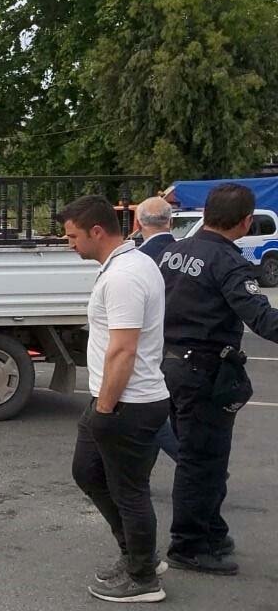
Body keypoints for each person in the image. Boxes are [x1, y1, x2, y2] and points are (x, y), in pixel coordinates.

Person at [160, 183, 278, 576]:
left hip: (172, 364)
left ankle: (210, 530)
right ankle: (190, 545)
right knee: (203, 461)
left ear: (207, 212)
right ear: (245, 223)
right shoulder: (228, 262)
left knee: (200, 457)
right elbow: (262, 318)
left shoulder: (173, 251)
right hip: (203, 371)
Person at [60, 195, 169, 604]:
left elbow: (123, 350)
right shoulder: (128, 265)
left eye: (72, 236)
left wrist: (105, 409)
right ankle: (137, 554)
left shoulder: (124, 275)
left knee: (129, 490)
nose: (69, 243)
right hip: (115, 399)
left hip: (129, 403)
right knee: (88, 472)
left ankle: (143, 577)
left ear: (97, 232)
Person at [134, 196, 180, 462]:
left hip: (150, 344)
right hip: (180, 345)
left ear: (138, 224)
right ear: (171, 222)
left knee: (151, 414)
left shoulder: (138, 260)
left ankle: (190, 462)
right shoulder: (184, 253)